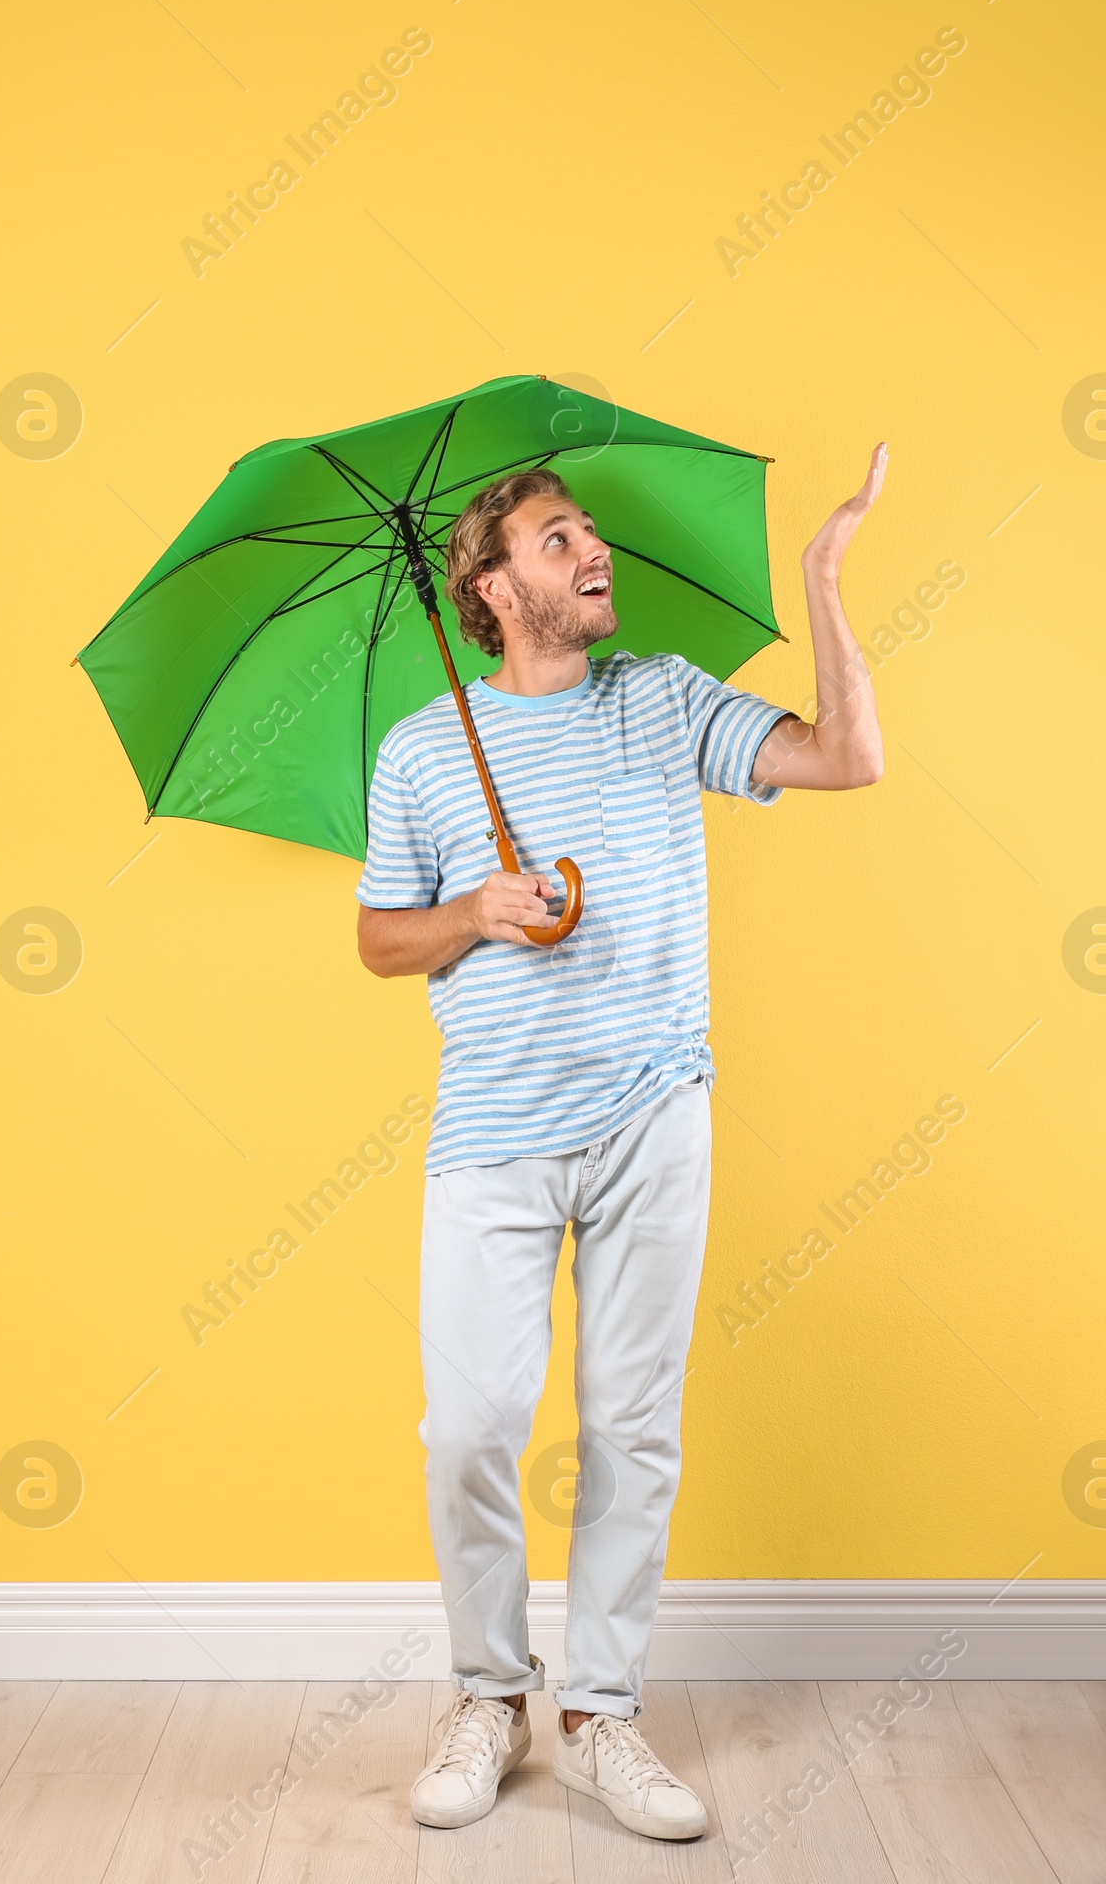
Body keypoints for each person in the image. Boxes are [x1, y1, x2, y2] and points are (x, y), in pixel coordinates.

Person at [356, 450, 887, 1841]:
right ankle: (489, 1693)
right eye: (556, 537)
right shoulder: (422, 748)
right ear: (490, 585)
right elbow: (375, 940)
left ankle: (600, 1713)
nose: (592, 550)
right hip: (494, 1132)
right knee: (468, 1427)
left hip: (657, 1113)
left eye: (589, 532)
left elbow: (849, 758)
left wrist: (827, 582)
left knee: (631, 1429)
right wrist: (474, 910)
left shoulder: (659, 700)